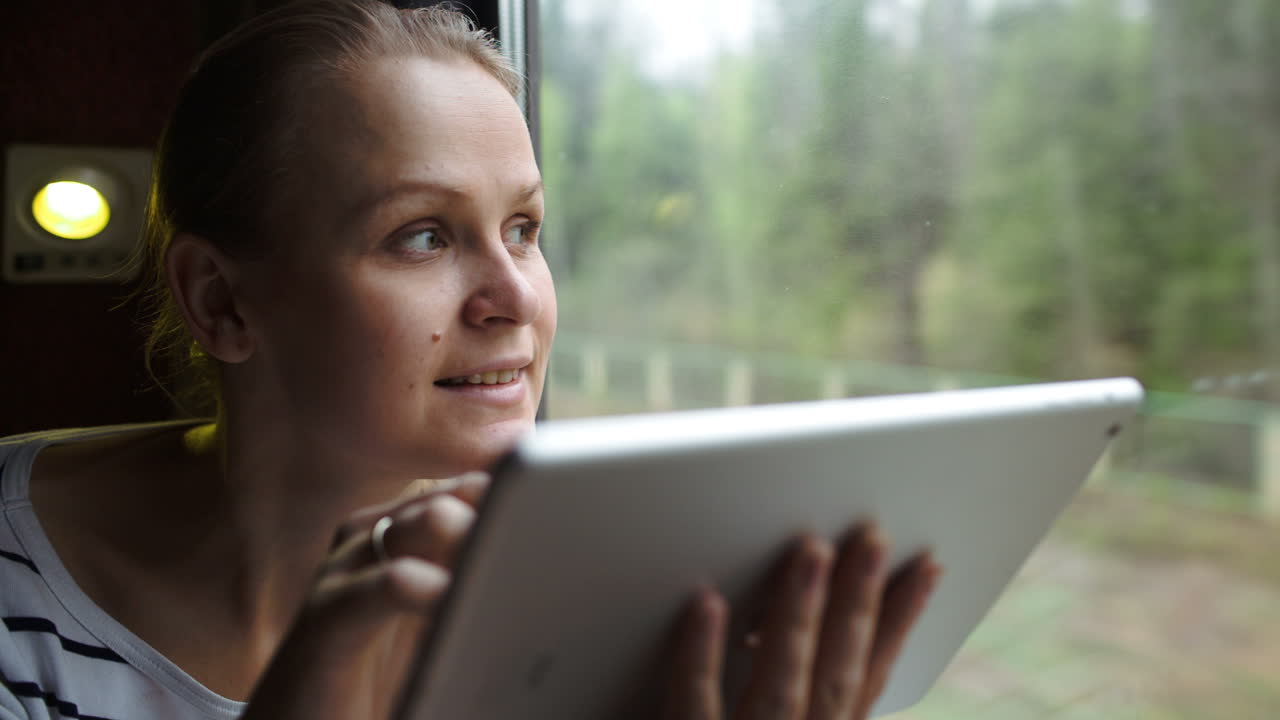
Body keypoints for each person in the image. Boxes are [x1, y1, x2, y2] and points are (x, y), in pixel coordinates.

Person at [0, 2, 941, 719]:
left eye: (523, 228)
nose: (517, 298)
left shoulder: (621, 629)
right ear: (223, 301)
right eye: (420, 237)